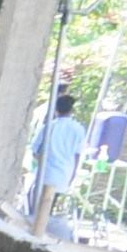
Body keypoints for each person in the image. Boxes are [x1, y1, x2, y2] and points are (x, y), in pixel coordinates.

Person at [26, 87, 90, 236]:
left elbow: (35, 150)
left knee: (33, 211)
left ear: (56, 110)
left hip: (45, 174)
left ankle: (31, 234)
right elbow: (77, 155)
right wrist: (72, 175)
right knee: (47, 210)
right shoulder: (78, 129)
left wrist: (42, 161)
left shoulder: (49, 126)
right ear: (71, 111)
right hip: (63, 175)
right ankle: (39, 234)